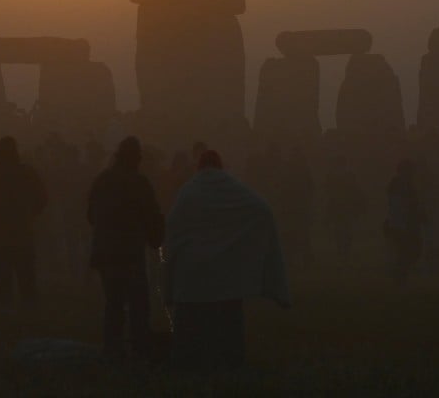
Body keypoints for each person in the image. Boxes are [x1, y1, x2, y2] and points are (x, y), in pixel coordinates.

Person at [162, 150, 289, 371]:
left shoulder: (189, 192)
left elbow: (173, 231)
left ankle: (189, 367)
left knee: (190, 332)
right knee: (228, 327)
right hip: (227, 275)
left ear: (199, 166)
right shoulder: (233, 189)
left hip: (192, 274)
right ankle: (230, 366)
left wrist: (169, 271)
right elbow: (262, 209)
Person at [86, 136, 164, 361]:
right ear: (136, 159)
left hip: (105, 253)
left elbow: (91, 215)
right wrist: (155, 239)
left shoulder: (102, 180)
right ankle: (140, 349)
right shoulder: (139, 183)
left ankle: (113, 349)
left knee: (114, 303)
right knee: (138, 303)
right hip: (130, 254)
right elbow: (152, 218)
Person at [0, 136, 46, 307]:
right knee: (26, 278)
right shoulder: (27, 172)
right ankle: (29, 316)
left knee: (3, 279)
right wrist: (30, 216)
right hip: (23, 231)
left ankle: (5, 315)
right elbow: (42, 199)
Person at [385, 159, 424, 285]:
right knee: (409, 251)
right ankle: (400, 276)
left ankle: (400, 277)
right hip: (403, 224)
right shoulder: (401, 185)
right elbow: (404, 206)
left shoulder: (399, 184)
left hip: (400, 224)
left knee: (406, 251)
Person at [323, 155, 366, 261]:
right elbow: (355, 190)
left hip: (338, 205)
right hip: (346, 205)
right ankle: (344, 250)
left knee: (340, 228)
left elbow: (327, 191)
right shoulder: (349, 175)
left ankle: (342, 250)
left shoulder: (332, 175)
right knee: (345, 227)